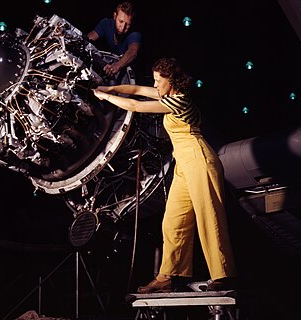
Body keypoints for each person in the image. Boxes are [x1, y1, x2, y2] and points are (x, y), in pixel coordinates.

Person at [93, 57, 237, 292]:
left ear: (172, 81)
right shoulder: (167, 94)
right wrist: (109, 87)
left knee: (209, 216)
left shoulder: (179, 101)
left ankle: (224, 274)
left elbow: (136, 106)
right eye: (155, 80)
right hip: (183, 162)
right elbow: (137, 90)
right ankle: (167, 276)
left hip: (199, 158)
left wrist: (105, 97)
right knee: (173, 221)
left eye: (159, 80)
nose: (156, 84)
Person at [87, 1, 142, 77]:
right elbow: (88, 40)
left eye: (127, 24)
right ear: (115, 16)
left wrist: (117, 66)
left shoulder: (135, 33)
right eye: (121, 21)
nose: (122, 28)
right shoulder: (105, 23)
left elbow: (132, 52)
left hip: (126, 73)